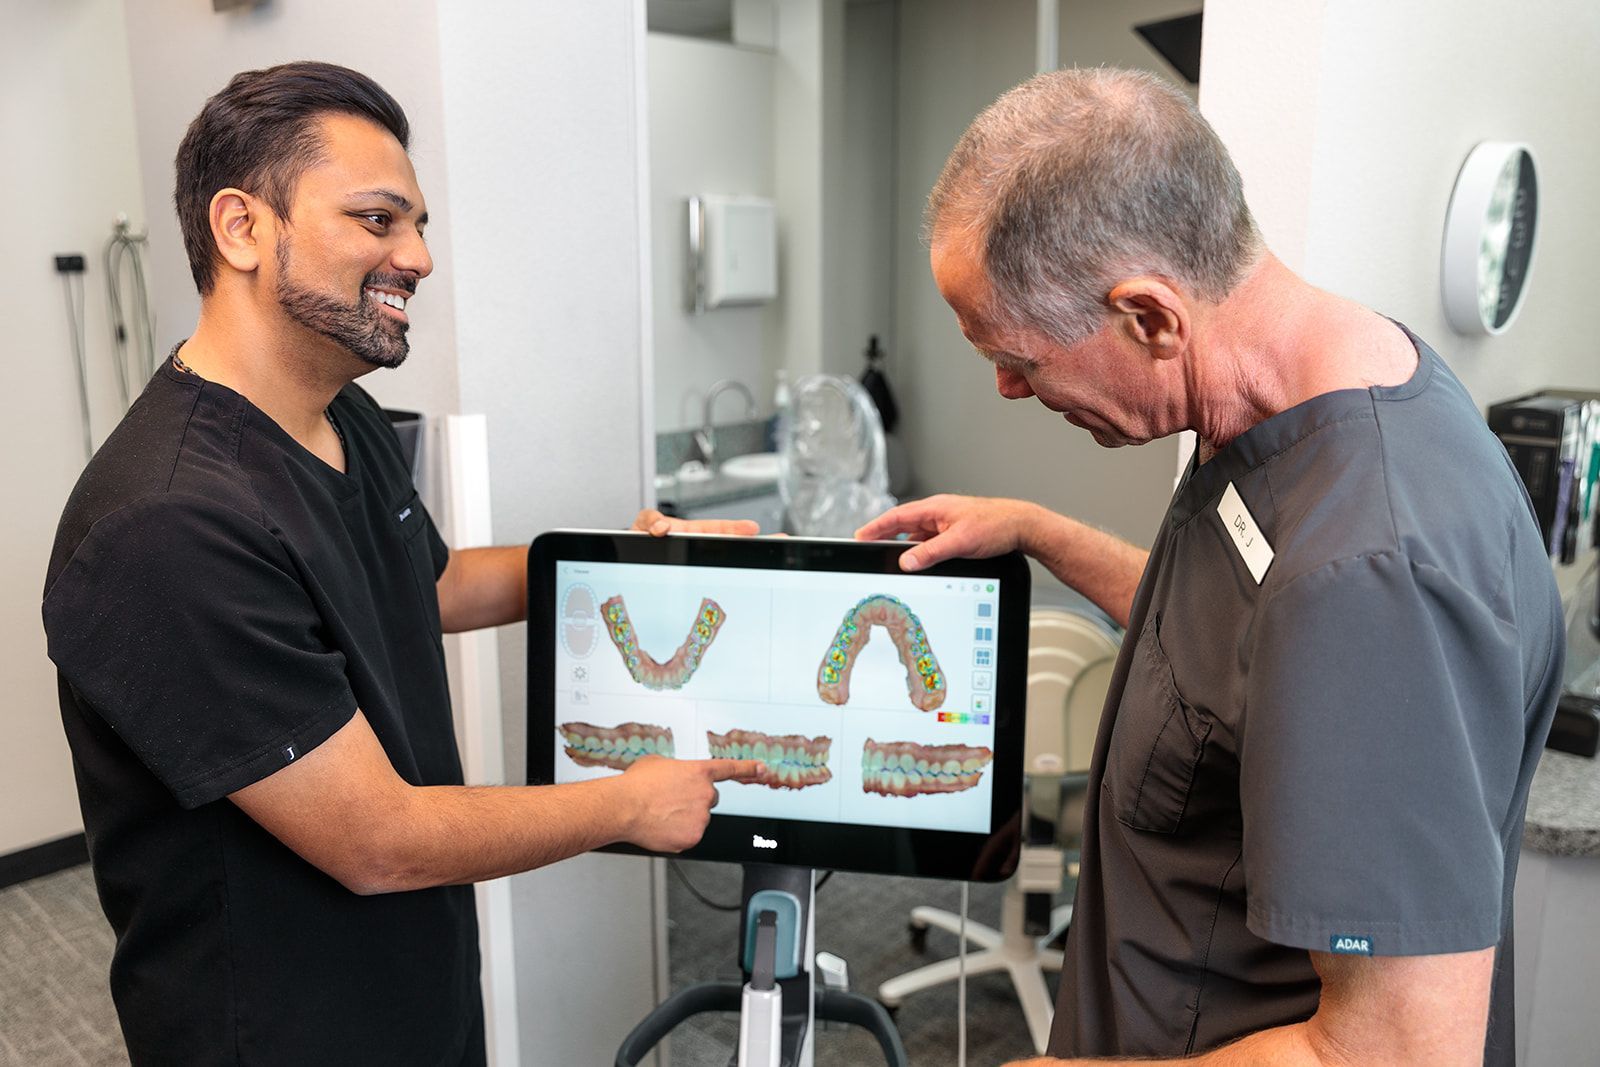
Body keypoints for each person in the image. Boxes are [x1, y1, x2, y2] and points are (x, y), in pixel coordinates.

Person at [41, 62, 764, 1066]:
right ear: (242, 227)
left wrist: (639, 567)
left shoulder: (342, 414)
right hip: (281, 1028)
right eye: (379, 221)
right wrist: (631, 801)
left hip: (412, 981)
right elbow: (376, 838)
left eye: (418, 225)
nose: (417, 256)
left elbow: (427, 584)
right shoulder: (165, 524)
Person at [857, 68, 1562, 1067]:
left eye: (1015, 357)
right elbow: (1239, 650)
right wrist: (1039, 530)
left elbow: (1390, 1053)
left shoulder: (1370, 576)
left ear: (1149, 316)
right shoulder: (1294, 402)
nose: (1009, 388)